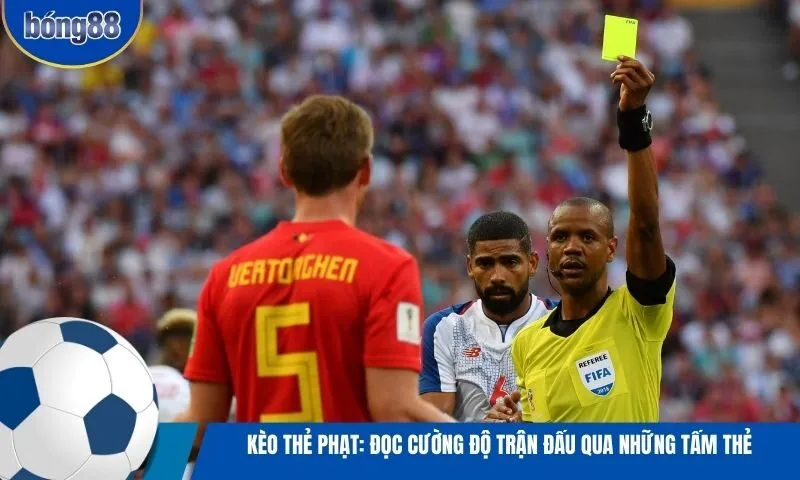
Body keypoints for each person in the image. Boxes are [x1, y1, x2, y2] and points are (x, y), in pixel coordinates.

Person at [180, 95, 453, 442]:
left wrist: (140, 447)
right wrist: (488, 452)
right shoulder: (388, 268)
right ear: (366, 171)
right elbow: (394, 409)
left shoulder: (225, 276)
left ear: (284, 171)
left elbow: (200, 423)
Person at [487, 56, 674, 422]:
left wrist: (633, 119)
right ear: (546, 251)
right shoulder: (527, 343)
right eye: (560, 237)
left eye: (587, 237)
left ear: (611, 249)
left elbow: (646, 225)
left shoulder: (638, 313)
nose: (572, 246)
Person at [419, 211, 555, 421]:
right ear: (470, 267)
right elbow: (430, 426)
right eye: (485, 264)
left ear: (532, 263)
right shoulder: (443, 328)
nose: (497, 276)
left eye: (510, 262)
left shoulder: (562, 321)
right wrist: (481, 433)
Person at [150, 308, 196, 422]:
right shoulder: (148, 377)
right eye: (171, 340)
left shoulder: (209, 386)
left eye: (184, 339)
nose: (176, 347)